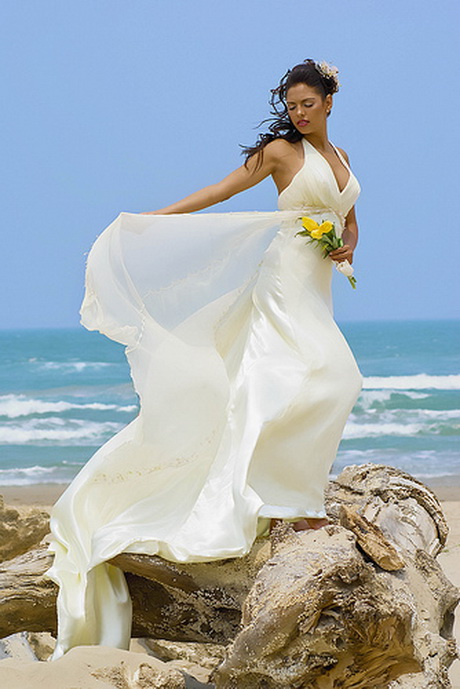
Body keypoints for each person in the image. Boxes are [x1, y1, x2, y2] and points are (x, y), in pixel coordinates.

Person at [46, 58, 363, 659]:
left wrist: (345, 248)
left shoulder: (343, 156)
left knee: (333, 380)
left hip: (315, 280)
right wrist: (153, 221)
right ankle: (283, 504)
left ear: (328, 101)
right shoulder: (278, 152)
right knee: (296, 376)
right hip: (281, 273)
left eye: (307, 104)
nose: (298, 113)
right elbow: (221, 191)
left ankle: (291, 495)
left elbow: (348, 217)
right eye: (291, 104)